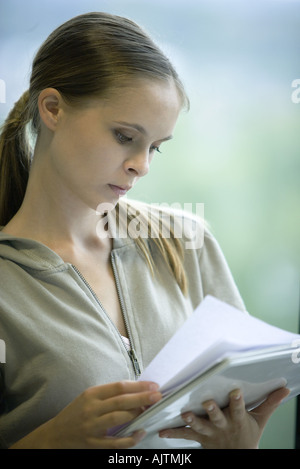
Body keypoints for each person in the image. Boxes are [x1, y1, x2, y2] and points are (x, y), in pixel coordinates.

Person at [0, 12, 289, 450]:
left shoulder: (186, 242)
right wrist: (51, 440)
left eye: (155, 147)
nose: (143, 164)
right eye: (124, 136)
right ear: (53, 109)